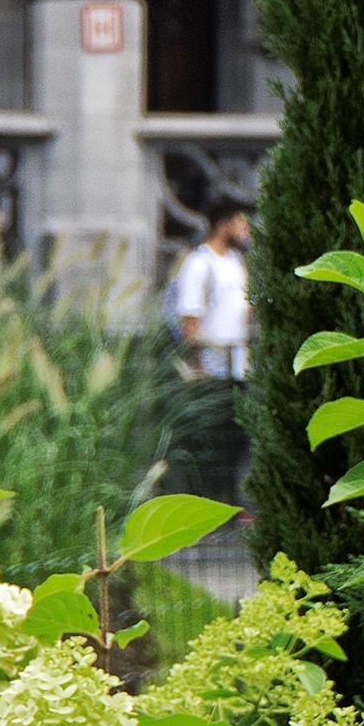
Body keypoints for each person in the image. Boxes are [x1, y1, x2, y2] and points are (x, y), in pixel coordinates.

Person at [167, 198, 252, 505]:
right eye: (241, 222)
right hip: (212, 371)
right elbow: (190, 319)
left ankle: (231, 505)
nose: (246, 229)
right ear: (224, 224)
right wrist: (199, 365)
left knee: (236, 442)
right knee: (213, 447)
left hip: (239, 366)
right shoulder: (199, 264)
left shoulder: (235, 262)